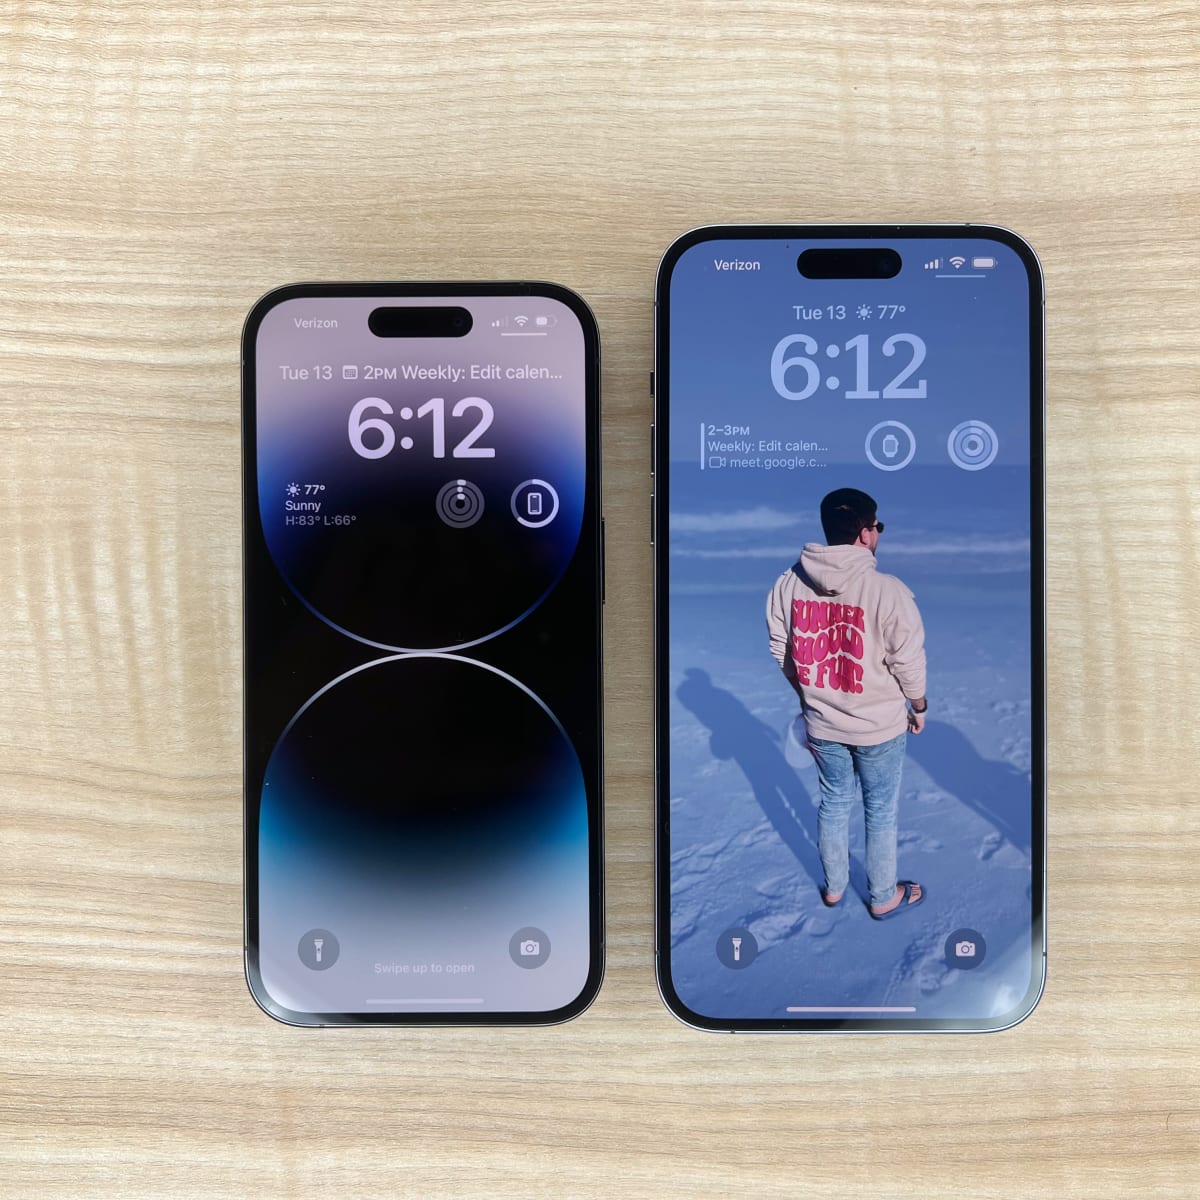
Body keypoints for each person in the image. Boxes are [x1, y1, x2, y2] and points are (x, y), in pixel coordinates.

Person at [766, 488, 928, 919]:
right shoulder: (887, 591)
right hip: (879, 728)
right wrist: (919, 705)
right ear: (864, 533)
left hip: (822, 724)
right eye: (877, 526)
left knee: (834, 803)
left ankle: (835, 888)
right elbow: (908, 662)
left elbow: (782, 651)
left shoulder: (788, 584)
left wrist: (808, 696)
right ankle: (883, 896)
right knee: (880, 811)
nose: (878, 534)